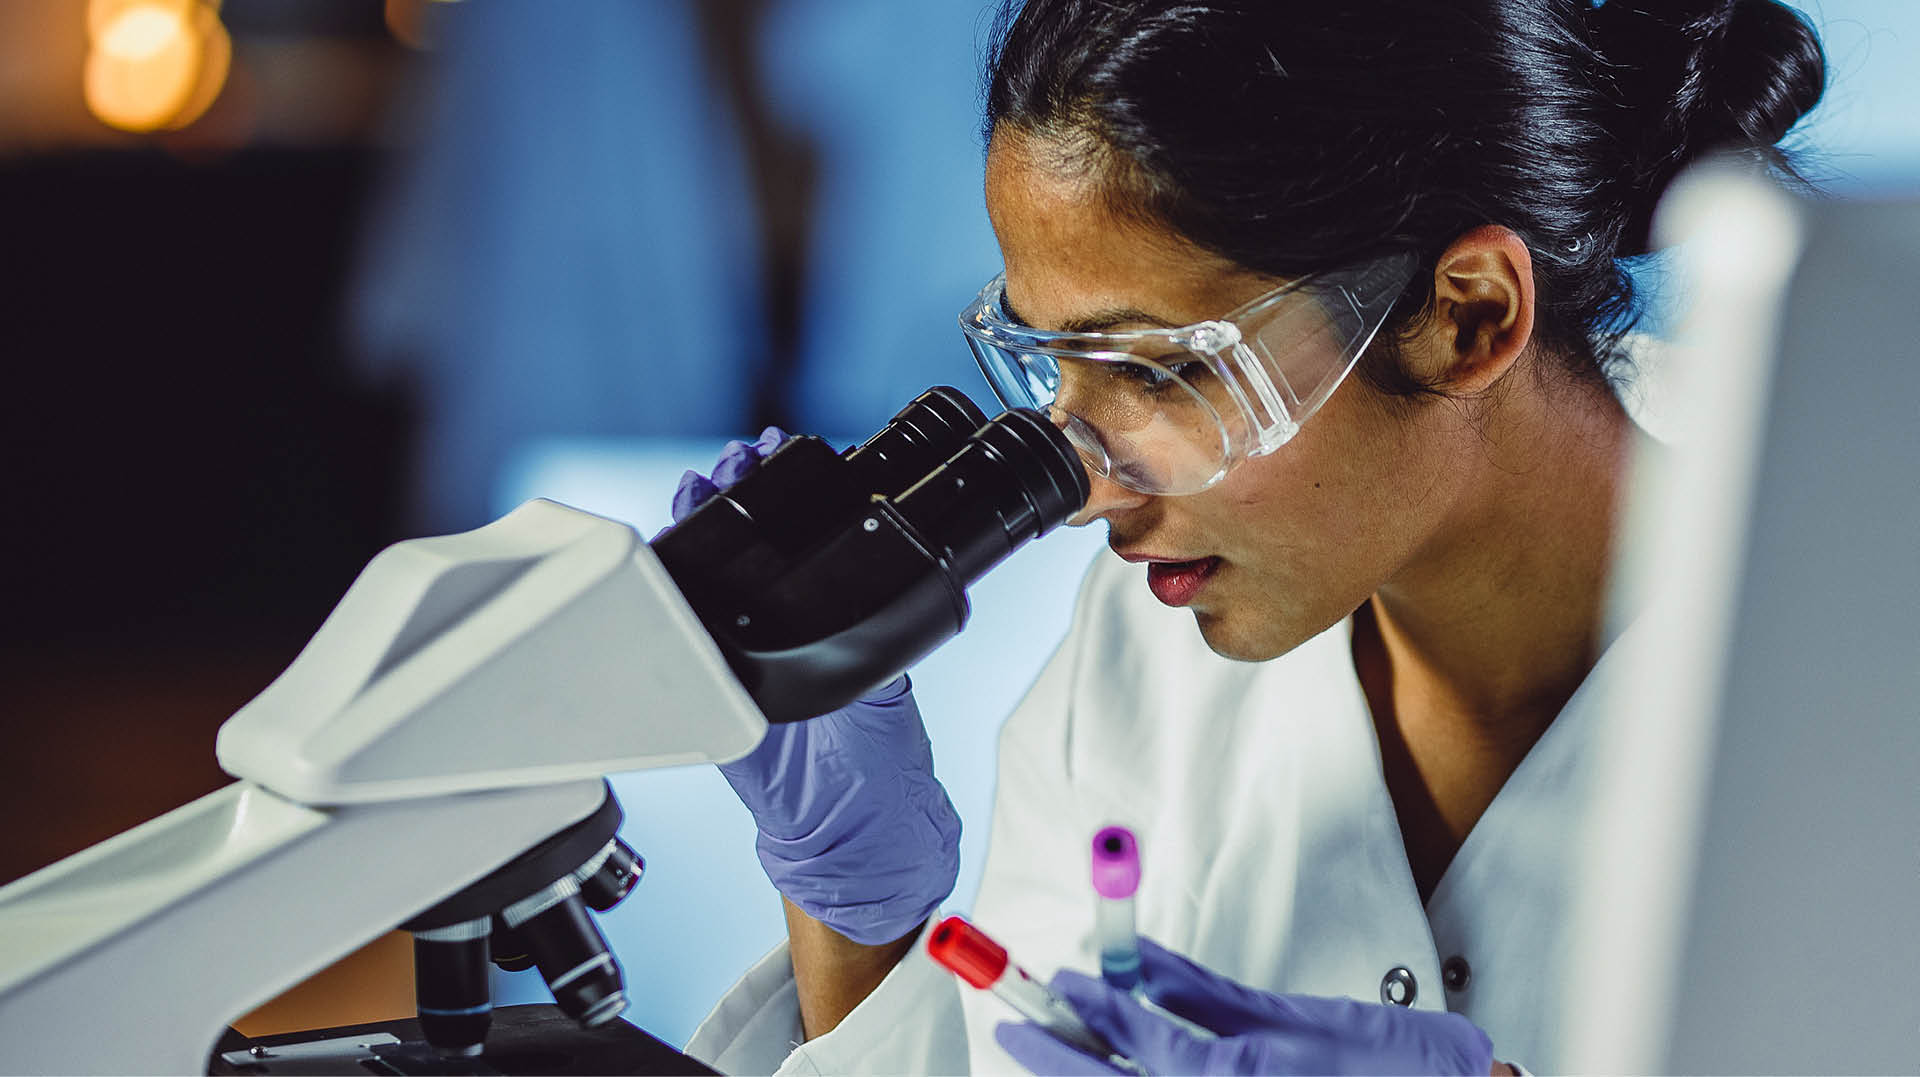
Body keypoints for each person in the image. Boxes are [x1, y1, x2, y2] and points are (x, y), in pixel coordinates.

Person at [675, 0, 1826, 1072]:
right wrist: (860, 921)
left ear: (1470, 315)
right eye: (1055, 368)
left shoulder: (1856, 633)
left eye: (1167, 374)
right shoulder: (1142, 656)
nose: (1088, 492)